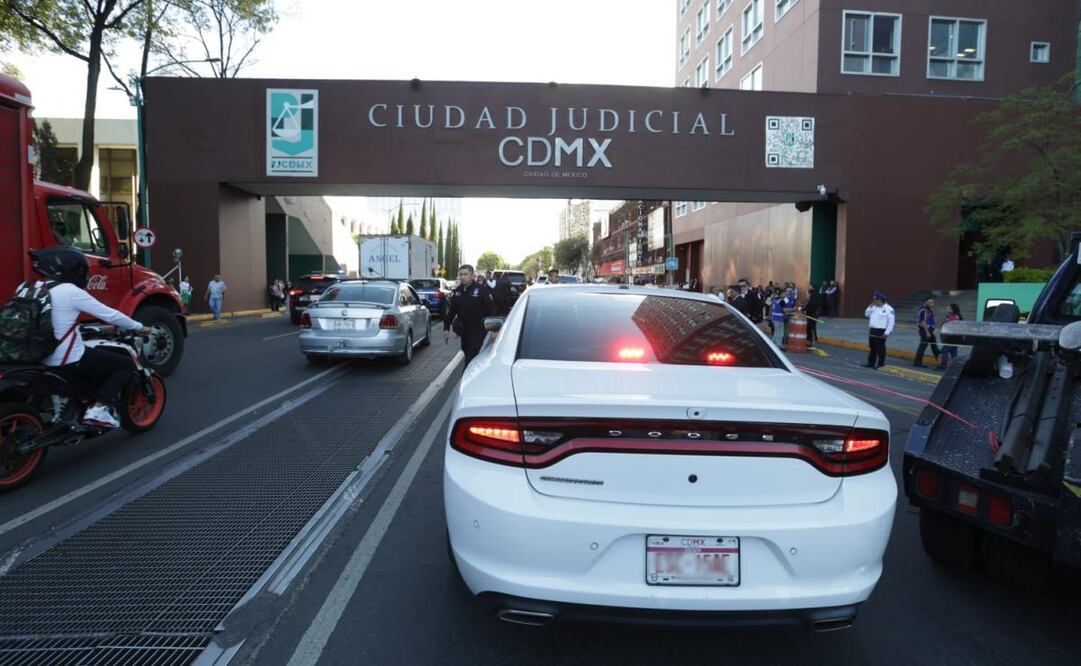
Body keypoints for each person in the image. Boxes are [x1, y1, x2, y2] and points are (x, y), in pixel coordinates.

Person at [24, 246, 152, 428]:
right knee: (124, 364)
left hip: (33, 357)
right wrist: (140, 327)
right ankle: (99, 408)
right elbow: (110, 315)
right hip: (65, 360)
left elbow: (50, 321)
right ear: (67, 269)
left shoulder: (28, 287)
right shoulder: (69, 291)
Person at [444, 264, 497, 365]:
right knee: (467, 353)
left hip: (478, 330)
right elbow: (451, 312)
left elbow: (492, 310)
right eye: (461, 274)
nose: (462, 277)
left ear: (472, 276)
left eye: (465, 274)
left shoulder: (481, 290)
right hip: (464, 331)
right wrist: (446, 328)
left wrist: (494, 329)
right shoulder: (457, 292)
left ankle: (466, 378)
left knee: (470, 358)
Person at [863, 291, 895, 369]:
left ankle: (881, 364)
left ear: (880, 300)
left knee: (880, 348)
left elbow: (891, 322)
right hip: (872, 330)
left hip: (881, 331)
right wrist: (870, 307)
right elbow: (866, 314)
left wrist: (886, 333)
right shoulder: (874, 307)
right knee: (872, 347)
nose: (873, 301)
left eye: (875, 300)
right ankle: (871, 363)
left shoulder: (889, 309)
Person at [914, 297, 941, 369]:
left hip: (930, 331)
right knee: (923, 346)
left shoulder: (929, 311)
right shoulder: (923, 310)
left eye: (933, 303)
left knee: (934, 346)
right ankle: (917, 362)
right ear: (925, 302)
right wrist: (927, 332)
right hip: (925, 331)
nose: (932, 304)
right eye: (930, 303)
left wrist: (932, 331)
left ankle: (940, 361)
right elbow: (922, 322)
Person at [940, 303, 962, 369]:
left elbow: (948, 325)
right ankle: (955, 367)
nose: (947, 309)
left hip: (950, 337)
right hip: (956, 337)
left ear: (953, 310)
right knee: (953, 352)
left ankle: (943, 366)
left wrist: (944, 323)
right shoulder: (958, 316)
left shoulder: (953, 316)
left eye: (949, 308)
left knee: (945, 351)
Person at [803, 285, 821, 350]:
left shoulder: (813, 300)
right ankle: (809, 342)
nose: (807, 295)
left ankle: (813, 343)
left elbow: (811, 307)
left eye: (807, 294)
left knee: (812, 329)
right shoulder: (810, 300)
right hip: (810, 316)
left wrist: (805, 309)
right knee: (809, 329)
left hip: (812, 316)